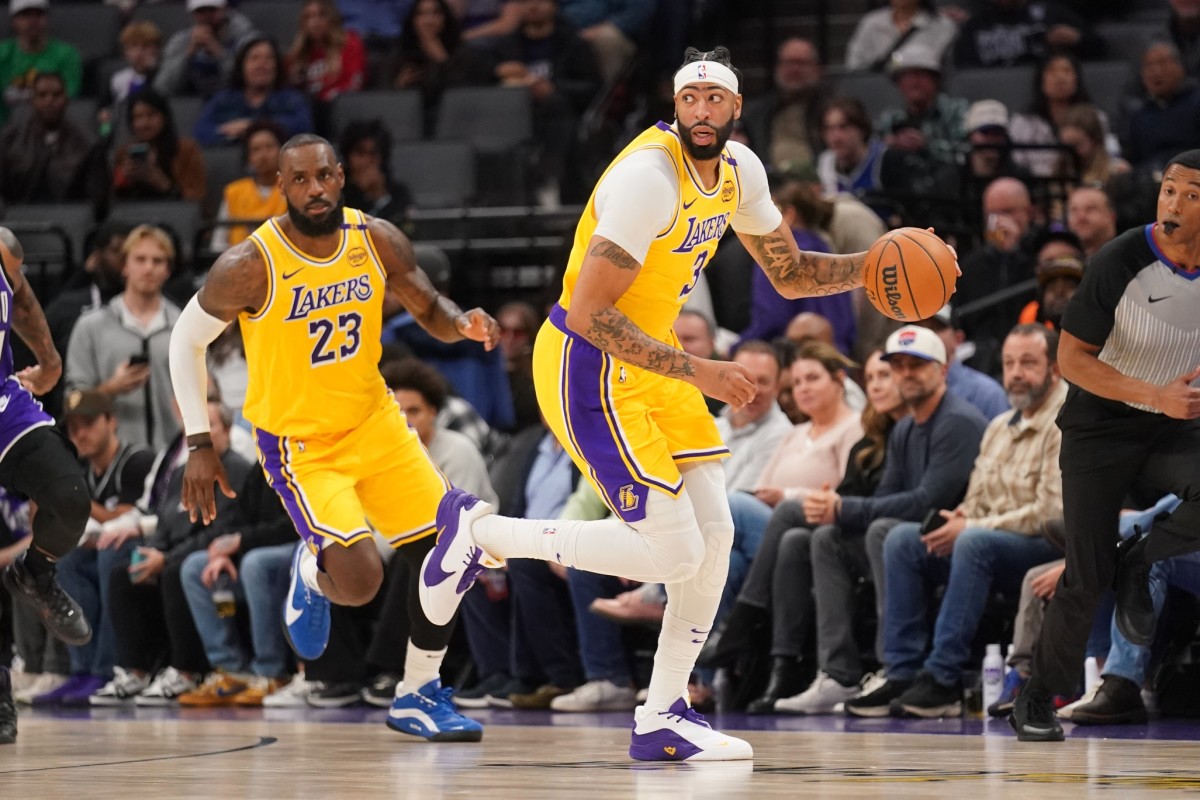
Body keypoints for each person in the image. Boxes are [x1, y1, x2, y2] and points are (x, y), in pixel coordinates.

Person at [417, 46, 940, 762]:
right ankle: (480, 534)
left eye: (713, 100)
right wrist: (702, 371)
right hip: (585, 360)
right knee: (672, 548)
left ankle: (662, 713)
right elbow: (595, 312)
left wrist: (873, 265)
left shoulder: (741, 172)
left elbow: (787, 274)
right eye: (688, 100)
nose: (700, 111)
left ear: (734, 109)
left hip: (652, 356)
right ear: (675, 105)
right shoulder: (646, 179)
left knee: (714, 537)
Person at [168, 132, 500, 742]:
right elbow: (184, 341)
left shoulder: (375, 239)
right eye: (300, 180)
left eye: (323, 176)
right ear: (281, 187)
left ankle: (418, 693)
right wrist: (198, 441)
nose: (314, 189)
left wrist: (459, 321)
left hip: (376, 423)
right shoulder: (250, 264)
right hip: (301, 445)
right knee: (360, 581)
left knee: (451, 549)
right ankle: (311, 572)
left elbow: (426, 305)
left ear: (341, 176)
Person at [1010, 150, 1200, 742]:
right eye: (1168, 189)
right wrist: (1153, 394)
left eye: (1191, 195)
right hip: (1100, 427)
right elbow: (1070, 360)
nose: (1173, 203)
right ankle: (1036, 699)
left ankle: (1139, 556)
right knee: (1085, 578)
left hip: (1171, 425)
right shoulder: (1120, 258)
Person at [881, 324, 1065, 718]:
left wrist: (973, 527)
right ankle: (901, 671)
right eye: (1009, 363)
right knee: (902, 539)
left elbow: (1050, 514)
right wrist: (961, 516)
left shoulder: (1064, 423)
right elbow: (977, 497)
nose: (1016, 373)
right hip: (989, 541)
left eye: (1028, 363)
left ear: (1055, 369)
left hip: (1045, 545)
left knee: (972, 543)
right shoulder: (999, 424)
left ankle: (943, 678)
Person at [0, 225, 94, 669]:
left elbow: (18, 295)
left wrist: (50, 358)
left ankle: (35, 574)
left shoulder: (3, 247)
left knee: (70, 498)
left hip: (4, 404)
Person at [66, 225, 182, 453]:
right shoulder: (91, 326)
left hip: (172, 458)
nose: (149, 268)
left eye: (158, 261)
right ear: (125, 266)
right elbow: (71, 403)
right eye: (140, 259)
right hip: (112, 458)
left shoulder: (183, 327)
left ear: (168, 270)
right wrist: (110, 389)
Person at [112, 88, 207, 203]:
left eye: (151, 115)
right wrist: (122, 180)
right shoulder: (123, 153)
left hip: (174, 216)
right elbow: (107, 203)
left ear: (164, 117)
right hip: (134, 216)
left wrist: (164, 184)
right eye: (138, 117)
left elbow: (198, 200)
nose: (145, 123)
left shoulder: (187, 150)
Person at [0, 0, 82, 125]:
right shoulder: (2, 54)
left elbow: (66, 98)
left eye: (38, 14)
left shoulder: (67, 55)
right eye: (25, 15)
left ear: (47, 19)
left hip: (50, 129)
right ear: (14, 21)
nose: (32, 21)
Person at [211, 121, 287, 253]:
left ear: (282, 151)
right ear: (249, 158)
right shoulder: (234, 192)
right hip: (239, 264)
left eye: (269, 147)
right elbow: (217, 244)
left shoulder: (292, 190)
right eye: (256, 149)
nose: (263, 155)